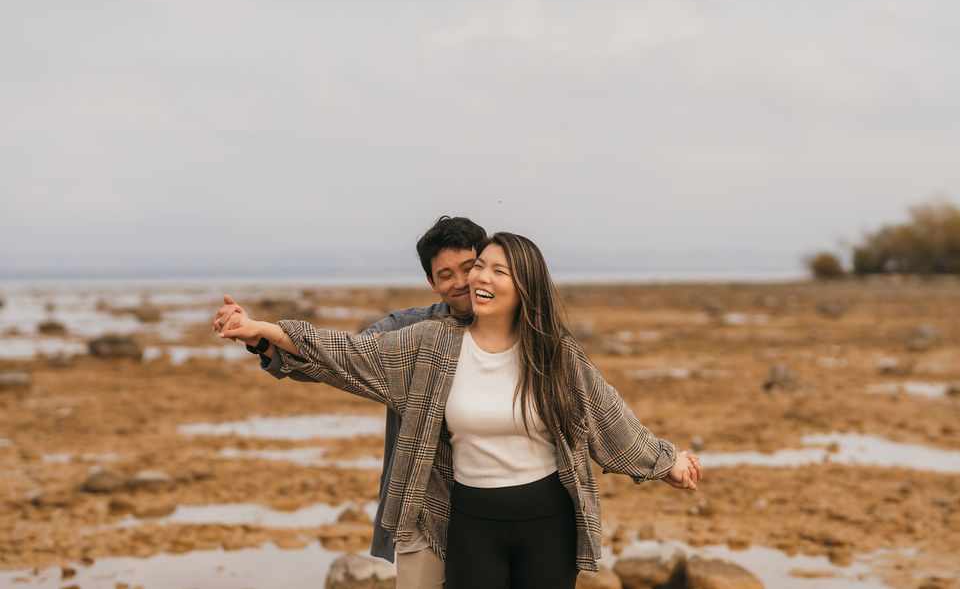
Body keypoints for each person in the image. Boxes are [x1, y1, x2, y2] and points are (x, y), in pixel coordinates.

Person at [217, 232, 702, 588]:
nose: (479, 278)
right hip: (470, 520)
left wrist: (667, 462)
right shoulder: (428, 343)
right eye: (479, 267)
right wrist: (264, 330)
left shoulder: (555, 354)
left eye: (497, 269)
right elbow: (346, 353)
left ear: (524, 286)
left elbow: (609, 416)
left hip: (548, 520)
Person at [213, 215, 486, 589]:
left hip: (498, 507)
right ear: (431, 282)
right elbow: (342, 358)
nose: (459, 283)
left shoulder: (526, 330)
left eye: (468, 269)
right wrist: (260, 337)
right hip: (423, 505)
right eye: (445, 274)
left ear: (486, 265)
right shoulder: (406, 331)